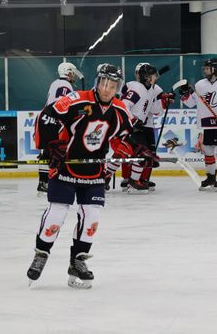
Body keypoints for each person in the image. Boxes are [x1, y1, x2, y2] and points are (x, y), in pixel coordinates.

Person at [27, 64, 158, 289]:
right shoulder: (77, 99)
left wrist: (139, 152)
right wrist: (52, 146)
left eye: (113, 85)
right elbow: (47, 116)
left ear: (118, 88)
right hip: (66, 166)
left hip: (93, 170)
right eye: (104, 83)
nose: (107, 89)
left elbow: (124, 137)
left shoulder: (119, 110)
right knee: (57, 212)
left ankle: (78, 260)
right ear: (97, 82)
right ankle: (41, 253)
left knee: (92, 216)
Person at [179, 57, 217, 192]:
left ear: (215, 69)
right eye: (204, 68)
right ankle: (210, 177)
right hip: (207, 123)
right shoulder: (200, 84)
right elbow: (191, 103)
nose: (205, 71)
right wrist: (184, 94)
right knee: (208, 151)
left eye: (207, 68)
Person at [120, 63, 174, 193]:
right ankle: (129, 181)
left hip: (143, 124)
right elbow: (123, 104)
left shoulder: (151, 89)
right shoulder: (136, 87)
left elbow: (155, 110)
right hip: (133, 126)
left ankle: (138, 180)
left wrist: (164, 102)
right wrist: (133, 120)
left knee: (146, 154)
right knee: (133, 153)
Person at [34, 62, 84, 195]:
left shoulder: (56, 82)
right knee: (54, 152)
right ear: (67, 72)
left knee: (47, 152)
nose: (73, 75)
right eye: (72, 72)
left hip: (46, 119)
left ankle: (43, 183)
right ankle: (49, 182)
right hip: (52, 121)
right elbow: (63, 107)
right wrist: (80, 112)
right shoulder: (65, 85)